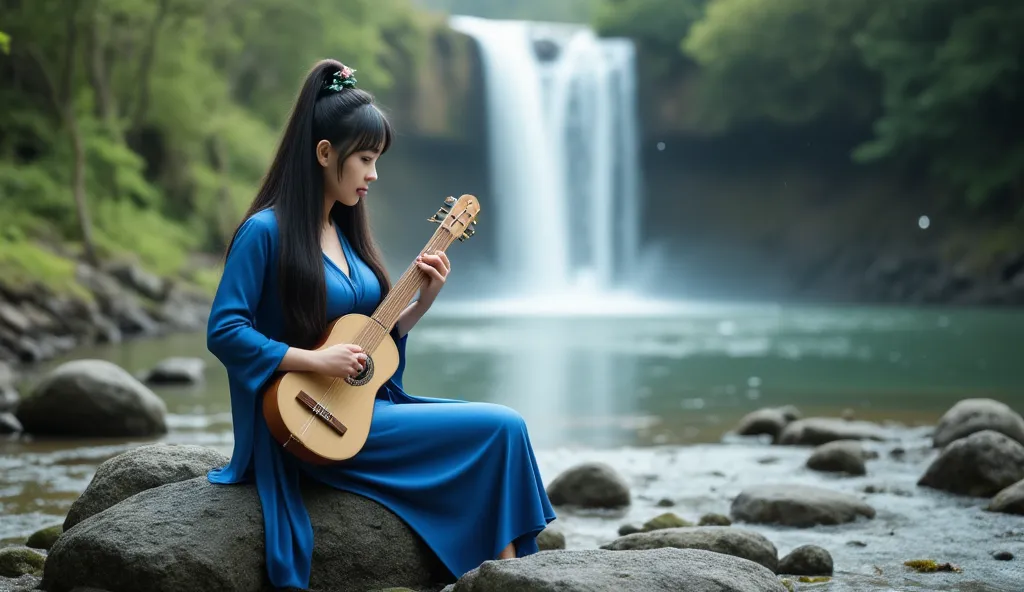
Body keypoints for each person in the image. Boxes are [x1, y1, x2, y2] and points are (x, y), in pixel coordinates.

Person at [204, 59, 557, 590]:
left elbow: (368, 348)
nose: (373, 174)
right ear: (325, 154)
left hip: (356, 408)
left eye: (376, 160)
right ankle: (503, 577)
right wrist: (312, 360)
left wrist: (419, 306)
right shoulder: (264, 232)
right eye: (366, 159)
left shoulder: (344, 235)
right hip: (300, 422)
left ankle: (503, 575)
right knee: (500, 428)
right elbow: (224, 330)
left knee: (502, 431)